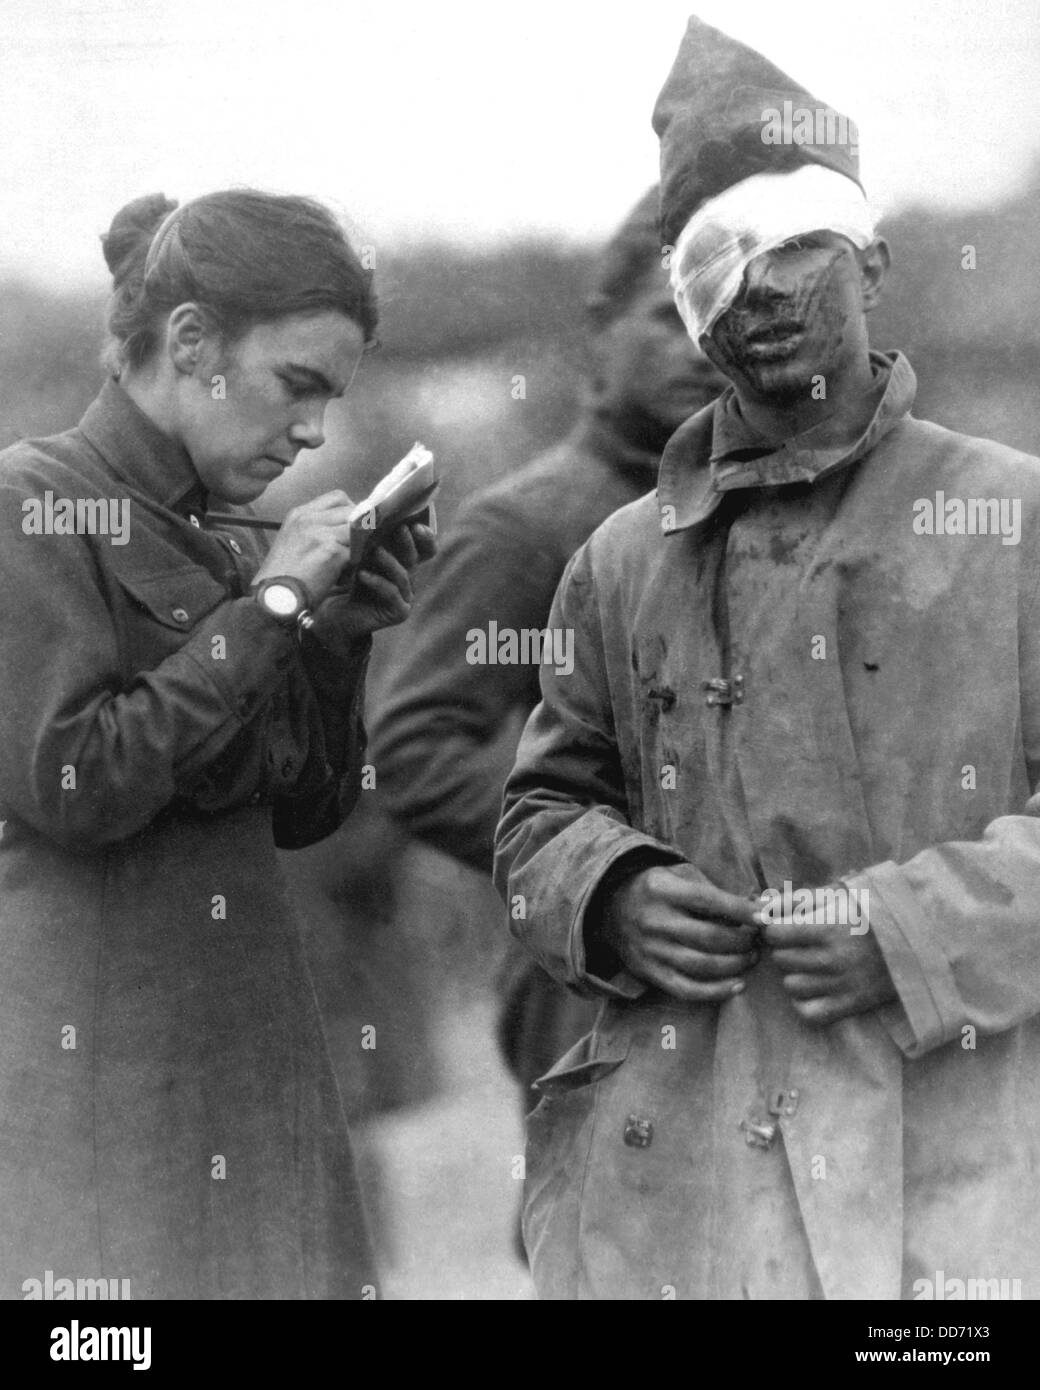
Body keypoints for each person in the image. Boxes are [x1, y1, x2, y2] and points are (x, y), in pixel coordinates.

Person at [495, 15, 1040, 1301]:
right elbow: (536, 814)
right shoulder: (620, 561)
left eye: (798, 245)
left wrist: (910, 932)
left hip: (954, 1170)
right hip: (678, 1180)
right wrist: (607, 892)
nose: (762, 293)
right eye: (714, 266)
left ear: (873, 259)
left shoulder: (1011, 524)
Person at [0, 189, 434, 1300]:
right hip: (99, 1073)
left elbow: (305, 809)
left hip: (251, 1057)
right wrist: (276, 606)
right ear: (191, 340)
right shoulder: (31, 505)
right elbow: (76, 780)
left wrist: (333, 639)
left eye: (329, 400)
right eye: (298, 386)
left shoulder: (228, 544)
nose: (311, 431)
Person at [371, 188, 725, 1124]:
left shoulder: (745, 513)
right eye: (668, 317)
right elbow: (414, 745)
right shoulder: (531, 527)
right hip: (590, 973)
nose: (700, 348)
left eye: (721, 320)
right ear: (600, 332)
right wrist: (603, 871)